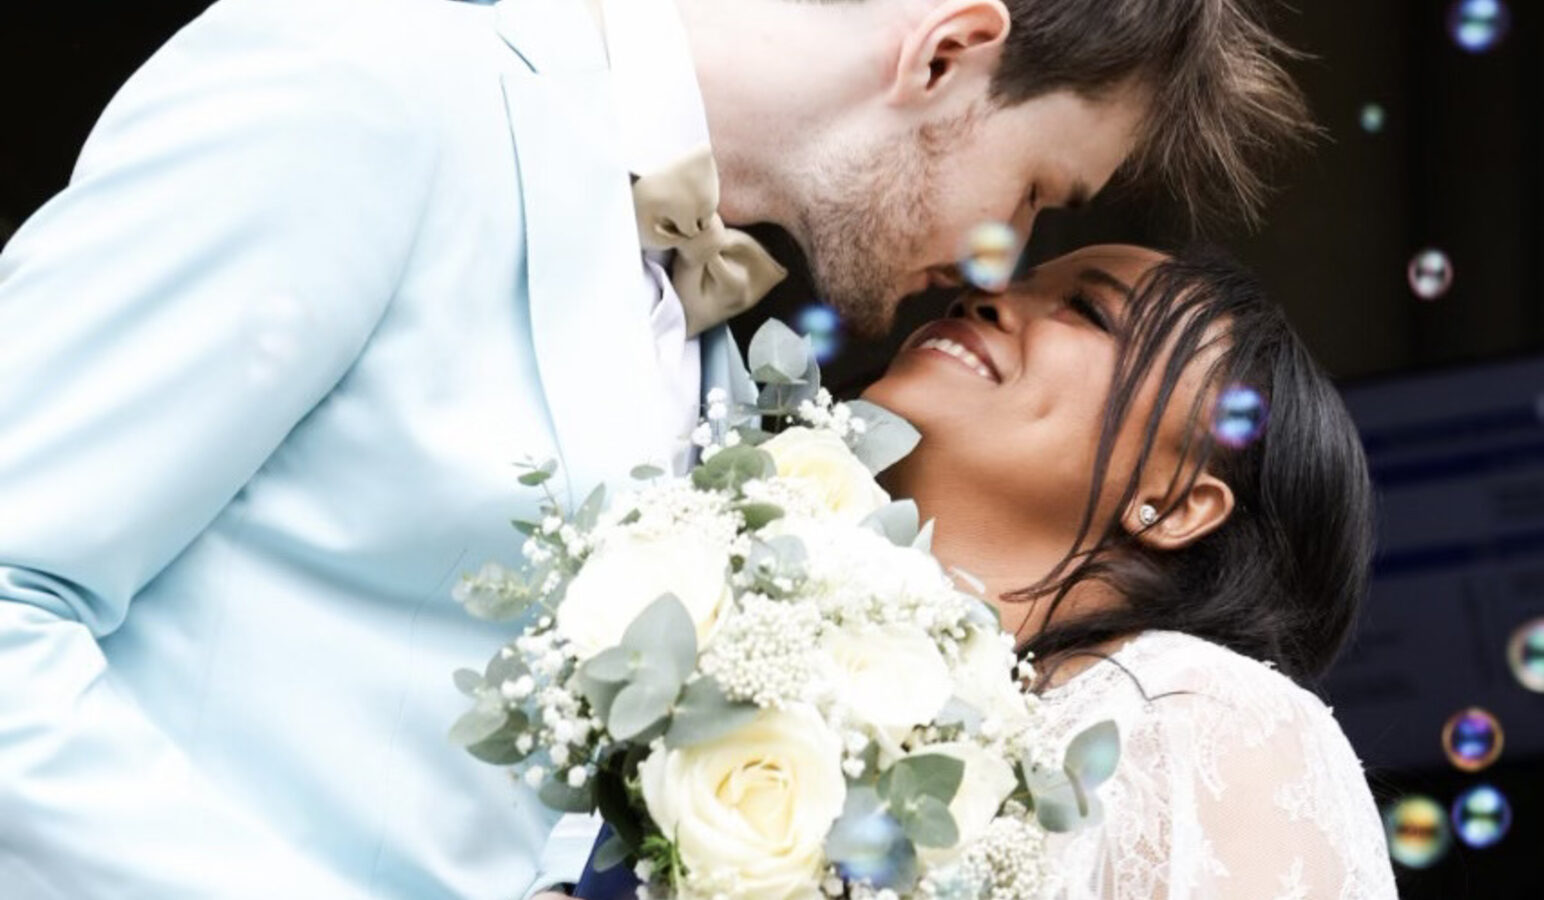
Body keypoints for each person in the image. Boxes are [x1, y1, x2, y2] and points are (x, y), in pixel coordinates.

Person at [0, 0, 1312, 896]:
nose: (1003, 255)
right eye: (1035, 193)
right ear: (948, 52)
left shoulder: (704, 352)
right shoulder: (381, 82)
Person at [863, 244, 1399, 898]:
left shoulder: (1200, 721)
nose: (983, 295)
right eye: (1019, 278)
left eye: (1087, 310)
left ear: (1174, 504)